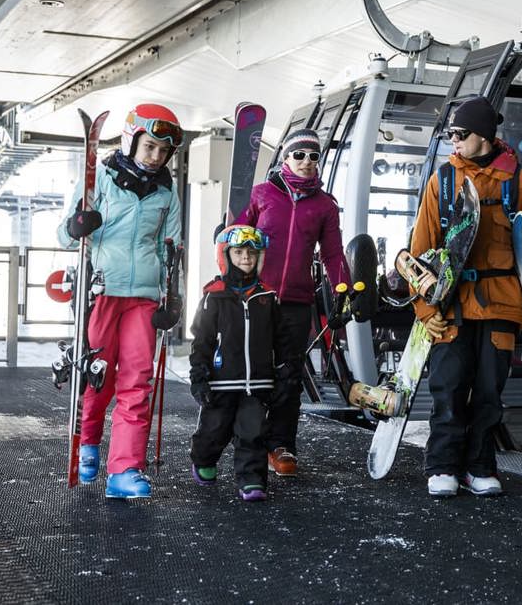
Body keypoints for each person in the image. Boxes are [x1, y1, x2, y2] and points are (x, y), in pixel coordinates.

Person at [409, 96, 522, 498]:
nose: (453, 141)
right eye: (451, 134)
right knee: (448, 388)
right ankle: (442, 465)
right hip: (452, 303)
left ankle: (480, 465)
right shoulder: (442, 181)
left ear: (484, 135)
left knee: (490, 392)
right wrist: (425, 309)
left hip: (502, 303)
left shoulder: (521, 183)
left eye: (459, 134)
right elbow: (420, 251)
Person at [56, 103, 183, 499]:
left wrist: (171, 296)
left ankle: (125, 470)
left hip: (144, 296)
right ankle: (89, 442)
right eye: (150, 147)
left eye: (163, 151)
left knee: (137, 382)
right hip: (102, 290)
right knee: (97, 375)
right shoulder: (102, 179)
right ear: (132, 141)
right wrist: (78, 227)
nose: (156, 156)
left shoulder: (166, 190)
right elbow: (64, 234)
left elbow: (170, 248)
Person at [236, 128, 351, 476]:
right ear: (285, 158)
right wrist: (232, 283)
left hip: (297, 302)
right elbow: (234, 239)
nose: (306, 162)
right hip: (257, 298)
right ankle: (250, 443)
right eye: (299, 155)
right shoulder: (262, 195)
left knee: (289, 376)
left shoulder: (325, 205)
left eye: (313, 156)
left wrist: (345, 289)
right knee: (255, 373)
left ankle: (281, 445)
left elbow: (332, 253)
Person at [188, 224, 292, 501]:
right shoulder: (214, 296)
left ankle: (252, 480)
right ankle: (203, 459)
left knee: (253, 432)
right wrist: (199, 376)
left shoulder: (267, 297)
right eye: (239, 252)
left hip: (257, 383)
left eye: (251, 252)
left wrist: (284, 372)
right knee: (214, 430)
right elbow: (202, 341)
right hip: (221, 382)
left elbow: (281, 339)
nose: (246, 257)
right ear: (226, 255)